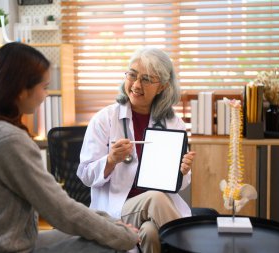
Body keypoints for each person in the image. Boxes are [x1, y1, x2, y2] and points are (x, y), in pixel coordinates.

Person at [0, 42, 138, 253]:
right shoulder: (7, 139)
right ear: (21, 90)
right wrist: (122, 235)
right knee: (108, 245)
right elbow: (60, 209)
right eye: (44, 87)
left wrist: (112, 224)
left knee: (105, 234)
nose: (46, 95)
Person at [77, 47, 196, 253]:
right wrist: (111, 160)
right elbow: (85, 175)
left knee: (150, 232)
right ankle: (194, 248)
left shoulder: (172, 122)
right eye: (132, 75)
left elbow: (179, 184)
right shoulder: (105, 119)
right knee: (155, 197)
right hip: (115, 207)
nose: (136, 85)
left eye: (147, 79)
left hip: (151, 212)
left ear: (162, 87)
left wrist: (181, 172)